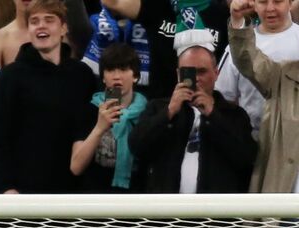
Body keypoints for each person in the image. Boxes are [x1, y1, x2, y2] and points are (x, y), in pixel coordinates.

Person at [0, 0, 96, 193]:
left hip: (73, 196)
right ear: (29, 30)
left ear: (63, 28)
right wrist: (7, 187)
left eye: (49, 20)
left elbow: (85, 132)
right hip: (24, 195)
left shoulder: (82, 75)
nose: (41, 25)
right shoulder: (11, 76)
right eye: (35, 21)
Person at [128, 46, 257, 192]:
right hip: (167, 208)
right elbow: (137, 147)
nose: (195, 78)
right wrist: (168, 113)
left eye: (202, 72)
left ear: (216, 73)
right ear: (178, 74)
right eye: (187, 72)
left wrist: (213, 114)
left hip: (214, 210)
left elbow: (246, 157)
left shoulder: (234, 114)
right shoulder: (158, 107)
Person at [229, 0, 299, 191]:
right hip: (284, 187)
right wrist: (237, 19)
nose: (270, 8)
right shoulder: (286, 76)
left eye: (277, 1)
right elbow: (247, 59)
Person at [103, 0, 231, 100]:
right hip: (162, 106)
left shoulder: (222, 14)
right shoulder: (158, 6)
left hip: (206, 105)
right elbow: (112, 3)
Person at [70, 42, 149, 190]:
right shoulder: (90, 110)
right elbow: (76, 167)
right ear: (103, 77)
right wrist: (99, 128)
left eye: (123, 69)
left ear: (135, 76)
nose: (117, 76)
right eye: (111, 70)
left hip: (136, 199)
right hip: (97, 199)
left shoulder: (148, 112)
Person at [216, 0, 299, 135]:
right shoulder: (237, 48)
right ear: (254, 4)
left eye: (278, 1)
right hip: (252, 139)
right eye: (263, 2)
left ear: (290, 3)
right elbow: (224, 97)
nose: (270, 8)